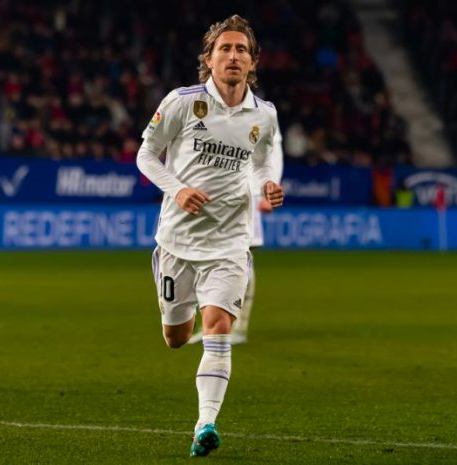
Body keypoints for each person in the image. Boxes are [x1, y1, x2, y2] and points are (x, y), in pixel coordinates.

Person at [136, 14, 284, 457]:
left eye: (242, 49)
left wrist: (266, 185)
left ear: (252, 61)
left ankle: (205, 424)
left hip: (229, 241)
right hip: (177, 242)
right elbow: (146, 155)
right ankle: (181, 309)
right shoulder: (182, 102)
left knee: (218, 326)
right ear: (209, 58)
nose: (233, 55)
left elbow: (260, 161)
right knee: (176, 337)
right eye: (225, 48)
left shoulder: (264, 114)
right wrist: (178, 189)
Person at [187, 125, 283, 345]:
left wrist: (269, 189)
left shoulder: (262, 112)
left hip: (247, 193)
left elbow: (273, 150)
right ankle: (212, 324)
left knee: (241, 257)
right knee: (208, 257)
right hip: (214, 193)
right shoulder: (212, 112)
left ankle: (239, 326)